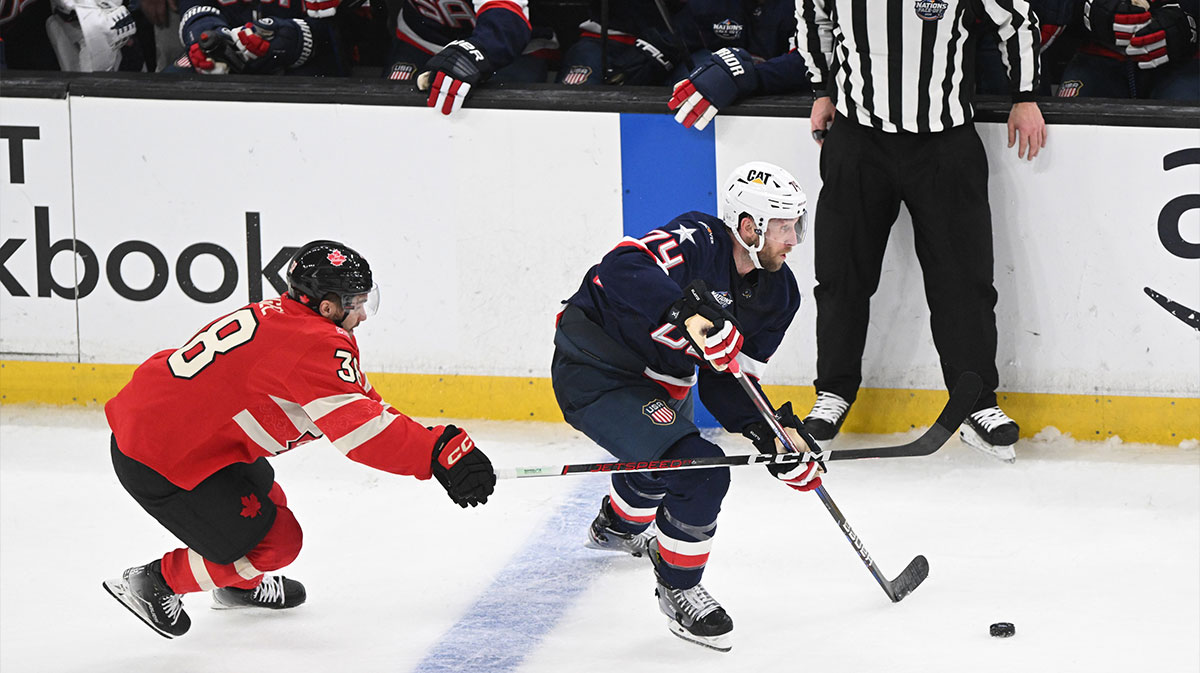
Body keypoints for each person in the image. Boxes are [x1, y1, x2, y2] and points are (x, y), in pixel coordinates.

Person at [102, 240, 496, 639]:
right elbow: (361, 434)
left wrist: (435, 447)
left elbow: (359, 405)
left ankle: (236, 585)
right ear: (326, 305)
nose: (361, 314)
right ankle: (154, 582)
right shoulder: (314, 343)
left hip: (180, 434)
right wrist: (434, 451)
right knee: (277, 543)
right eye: (355, 303)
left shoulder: (289, 319)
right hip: (160, 458)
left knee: (270, 502)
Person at [551, 162, 823, 652]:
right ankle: (679, 588)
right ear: (749, 227)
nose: (794, 240)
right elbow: (620, 269)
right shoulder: (698, 238)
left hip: (659, 383)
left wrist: (774, 435)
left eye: (796, 225)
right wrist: (686, 312)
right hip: (594, 370)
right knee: (702, 470)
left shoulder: (780, 294)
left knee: (671, 456)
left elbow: (729, 383)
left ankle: (617, 525)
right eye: (785, 227)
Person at [795, 0, 1047, 463]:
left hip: (945, 142)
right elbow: (815, 18)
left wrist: (1025, 94)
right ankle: (832, 393)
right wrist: (822, 87)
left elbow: (1017, 17)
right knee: (840, 277)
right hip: (858, 139)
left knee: (963, 282)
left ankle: (975, 401)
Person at [667, 0, 812, 131]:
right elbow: (677, 46)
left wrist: (752, 75)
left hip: (786, 117)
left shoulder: (804, 6)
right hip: (720, 120)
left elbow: (811, 60)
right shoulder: (705, 6)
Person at [168, 0, 342, 75]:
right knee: (172, 81)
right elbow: (194, 8)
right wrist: (208, 36)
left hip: (303, 64)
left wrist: (294, 36)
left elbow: (340, 26)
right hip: (229, 60)